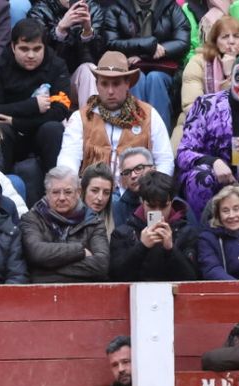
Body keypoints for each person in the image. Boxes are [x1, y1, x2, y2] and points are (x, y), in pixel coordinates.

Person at [177, 52, 239, 218]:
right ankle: (205, 233)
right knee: (202, 177)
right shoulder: (205, 105)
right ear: (230, 78)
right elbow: (183, 153)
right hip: (212, 178)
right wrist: (214, 162)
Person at [0, 18, 72, 191]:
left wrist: (17, 121)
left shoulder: (57, 65)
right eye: (24, 49)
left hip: (40, 132)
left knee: (53, 128)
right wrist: (33, 105)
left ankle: (56, 190)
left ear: (45, 47)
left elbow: (60, 111)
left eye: (37, 49)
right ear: (13, 47)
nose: (31, 55)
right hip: (10, 134)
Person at [57, 52, 172, 181]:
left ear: (127, 84)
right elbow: (68, 161)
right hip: (92, 196)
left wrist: (154, 192)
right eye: (104, 84)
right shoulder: (81, 117)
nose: (110, 91)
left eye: (116, 84)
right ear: (97, 85)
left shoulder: (148, 115)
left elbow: (165, 160)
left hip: (137, 195)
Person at [85, 0, 189, 122]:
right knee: (136, 79)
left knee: (155, 79)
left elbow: (183, 41)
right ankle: (134, 132)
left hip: (164, 68)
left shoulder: (170, 6)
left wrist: (148, 54)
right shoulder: (116, 8)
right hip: (130, 68)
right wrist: (148, 46)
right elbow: (110, 43)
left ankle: (159, 135)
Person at [177, 16, 239, 143]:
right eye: (225, 37)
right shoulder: (198, 61)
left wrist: (230, 75)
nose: (231, 41)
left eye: (237, 36)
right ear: (215, 41)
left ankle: (236, 162)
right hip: (200, 124)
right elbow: (192, 106)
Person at [20, 164, 107, 281]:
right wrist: (80, 251)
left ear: (78, 192)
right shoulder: (32, 219)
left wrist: (44, 271)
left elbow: (101, 264)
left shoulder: (93, 221)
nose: (61, 197)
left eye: (67, 192)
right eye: (55, 192)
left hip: (83, 292)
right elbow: (36, 253)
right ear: (47, 193)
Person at [109, 168, 198, 280]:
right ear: (142, 202)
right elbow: (116, 276)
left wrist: (171, 249)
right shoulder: (123, 233)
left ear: (171, 202)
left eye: (163, 206)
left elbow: (193, 279)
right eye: (151, 206)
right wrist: (142, 247)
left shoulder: (187, 232)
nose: (158, 212)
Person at [81, 160, 115, 233]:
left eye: (106, 193)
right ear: (83, 190)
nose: (100, 198)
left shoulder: (116, 218)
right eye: (94, 190)